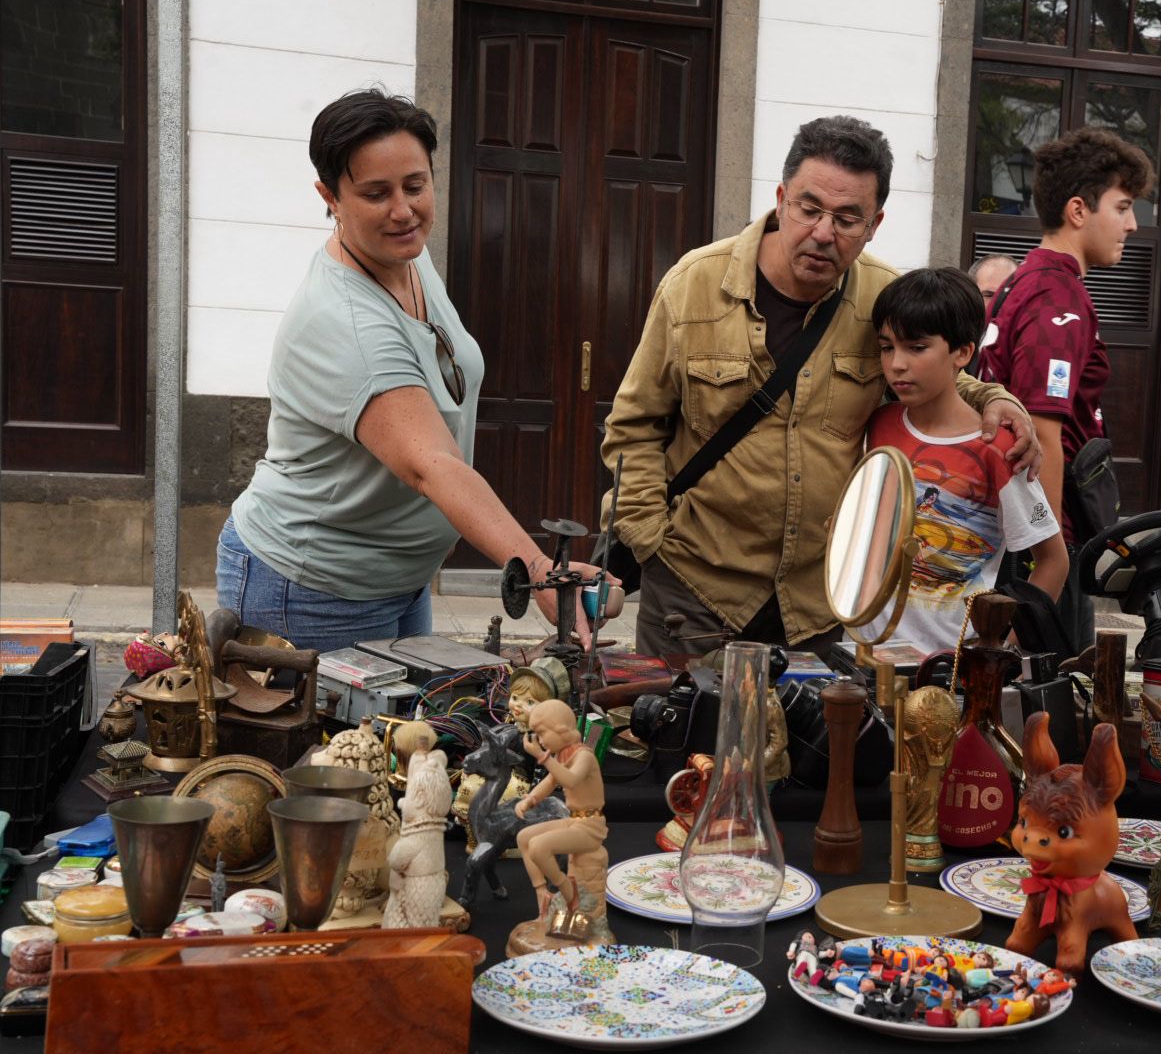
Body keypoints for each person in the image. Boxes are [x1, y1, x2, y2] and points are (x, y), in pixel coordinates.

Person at [602, 115, 1040, 660]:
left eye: (848, 218)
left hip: (819, 601)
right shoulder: (694, 286)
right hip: (693, 591)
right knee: (679, 718)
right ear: (781, 199)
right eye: (808, 209)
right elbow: (635, 426)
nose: (824, 232)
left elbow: (940, 373)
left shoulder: (883, 297)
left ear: (875, 224)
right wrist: (650, 540)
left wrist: (995, 398)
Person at [216, 89, 604, 654]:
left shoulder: (405, 255)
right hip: (312, 589)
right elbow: (432, 466)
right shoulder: (345, 320)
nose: (403, 211)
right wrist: (540, 569)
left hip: (398, 580)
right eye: (376, 194)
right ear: (330, 197)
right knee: (343, 721)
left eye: (415, 186)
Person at [975, 126, 1155, 655]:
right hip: (1042, 538)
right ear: (1078, 210)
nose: (1132, 224)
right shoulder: (1057, 297)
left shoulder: (1026, 280)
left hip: (1020, 529)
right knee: (1047, 689)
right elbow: (1042, 433)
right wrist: (1050, 559)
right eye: (1122, 207)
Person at [851, 267, 1066, 652]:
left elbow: (1053, 561)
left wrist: (1000, 653)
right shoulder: (877, 425)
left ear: (963, 352)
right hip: (862, 652)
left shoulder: (1000, 447)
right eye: (887, 347)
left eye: (916, 348)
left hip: (950, 666)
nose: (897, 363)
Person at [513, 699, 606, 927]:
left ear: (560, 729)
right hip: (574, 821)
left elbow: (570, 780)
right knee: (524, 838)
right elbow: (550, 782)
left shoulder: (584, 756)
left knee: (539, 847)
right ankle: (542, 892)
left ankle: (567, 891)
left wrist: (542, 757)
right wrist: (531, 799)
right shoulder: (563, 755)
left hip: (591, 826)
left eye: (542, 734)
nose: (541, 741)